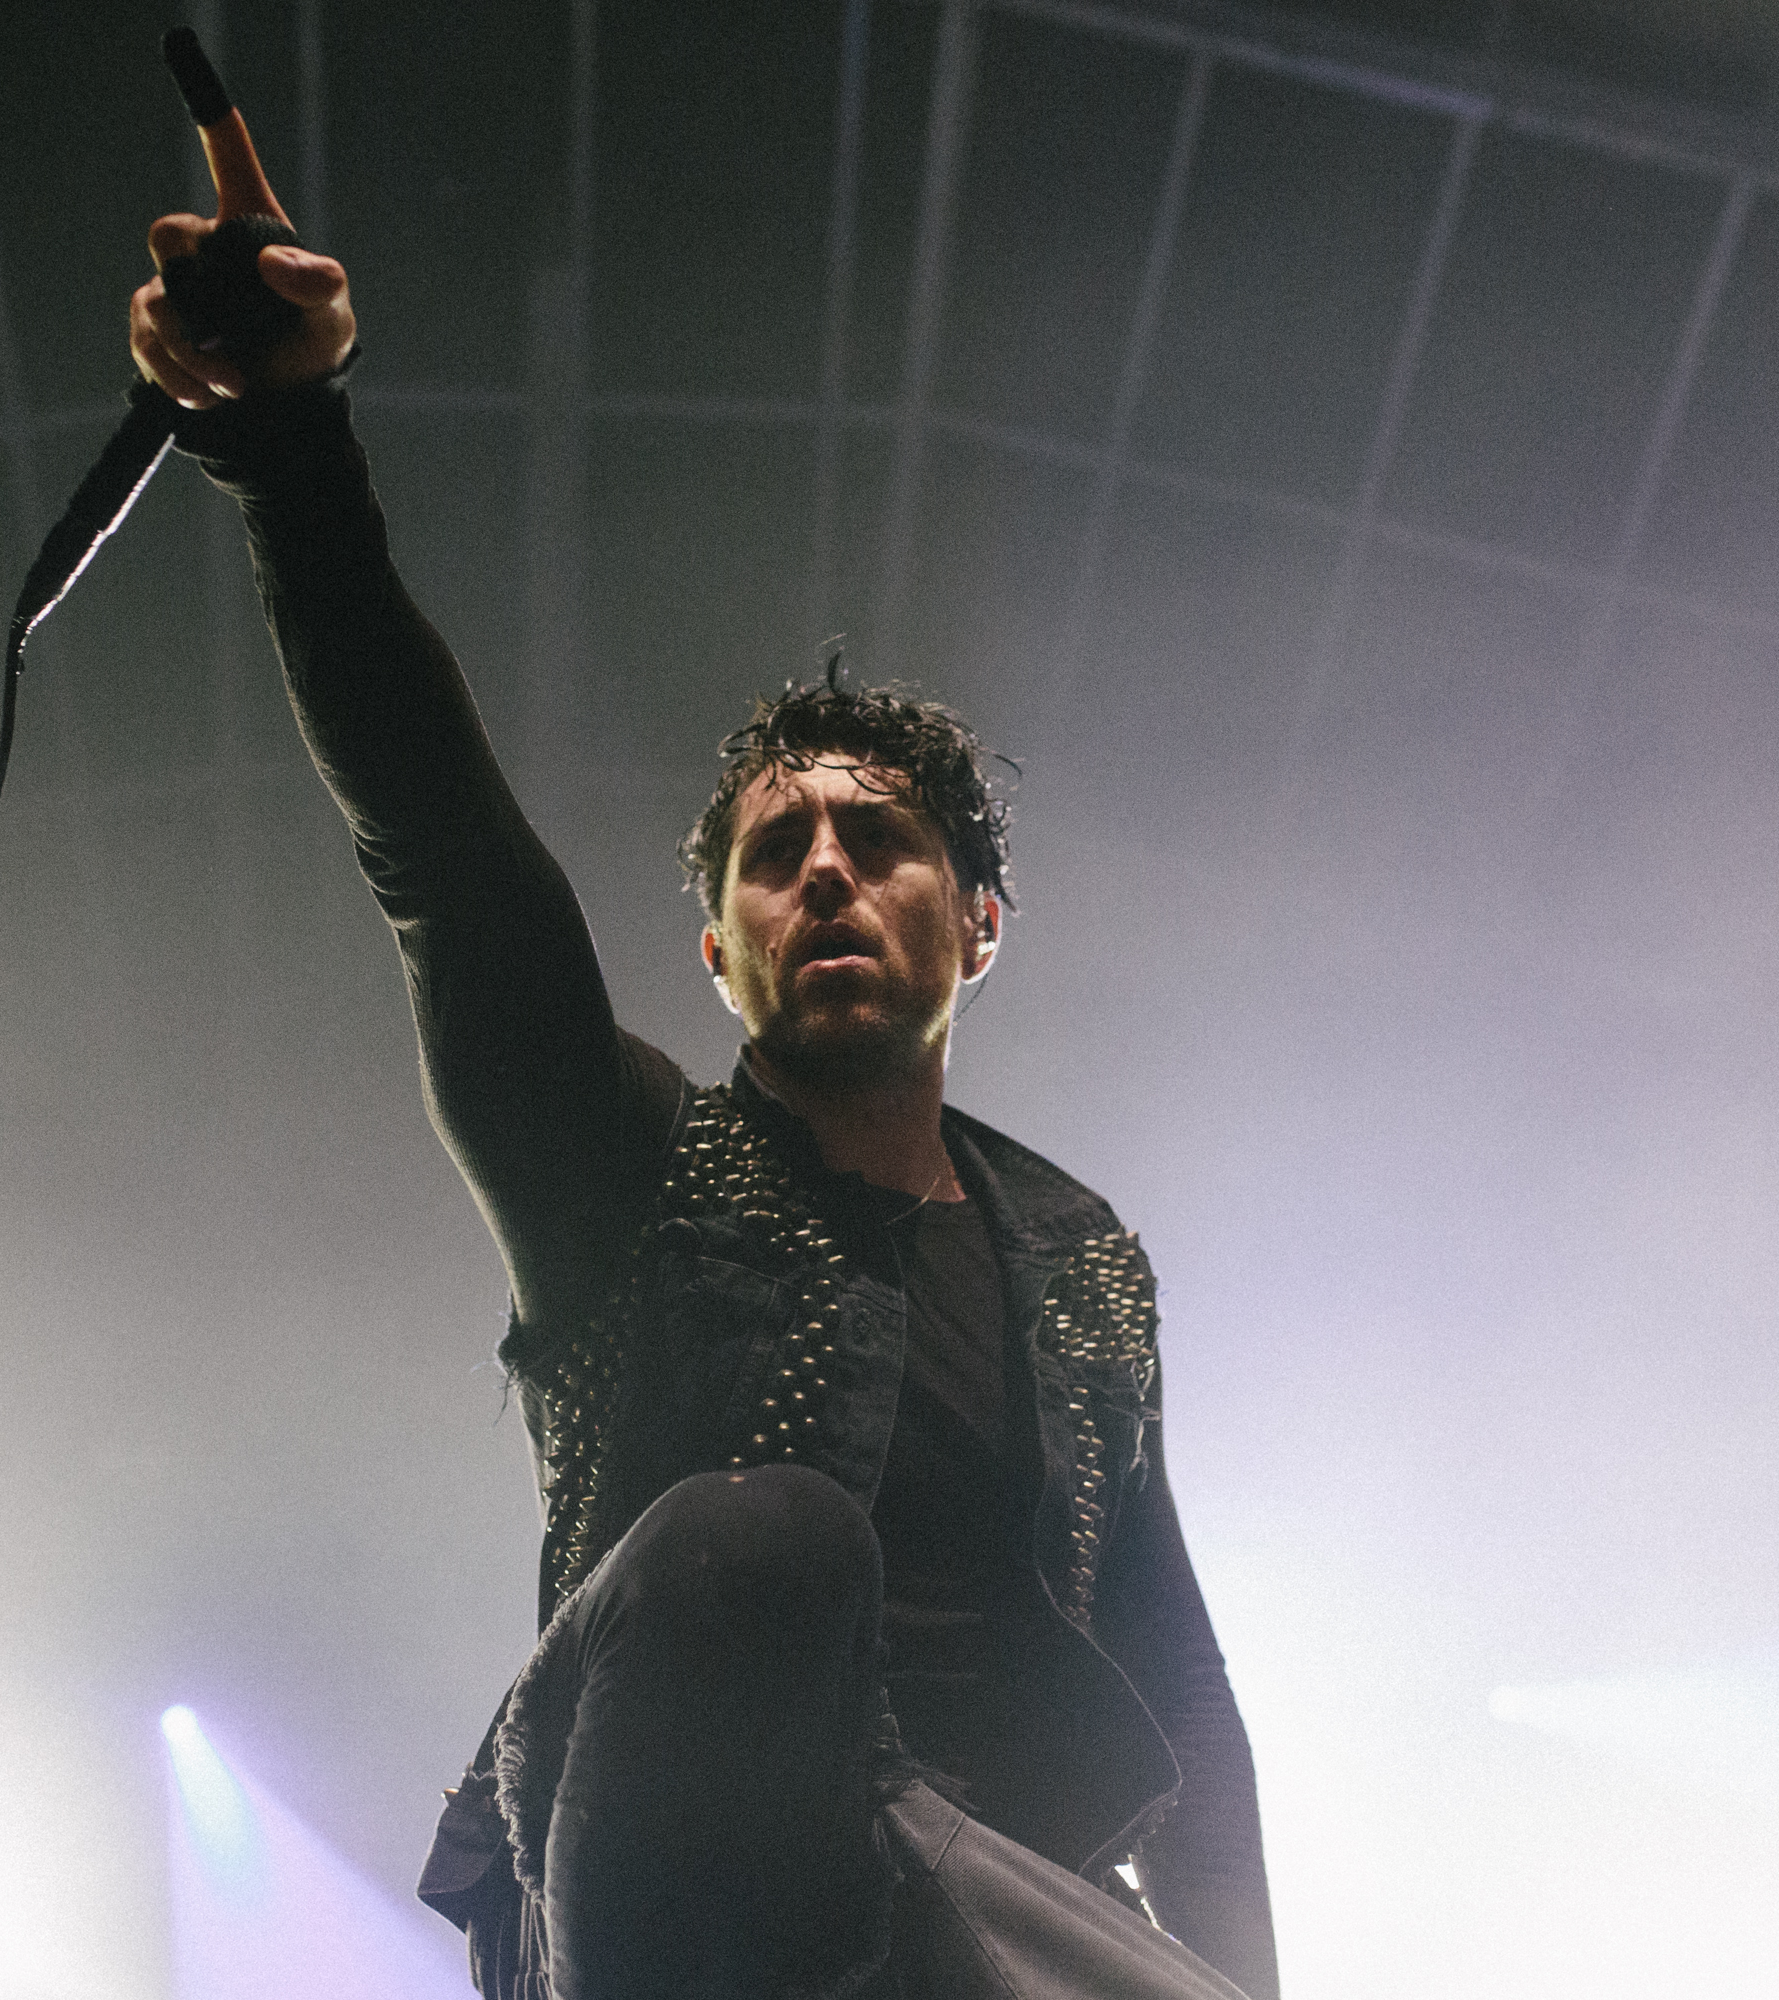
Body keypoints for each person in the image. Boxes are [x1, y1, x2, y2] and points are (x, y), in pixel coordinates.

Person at [126, 135, 1280, 2000]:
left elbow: (1178, 1681)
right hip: (695, 1904)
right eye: (773, 852)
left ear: (980, 924)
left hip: (988, 1918)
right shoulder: (632, 1166)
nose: (823, 870)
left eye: (878, 840)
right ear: (716, 949)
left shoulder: (1083, 1261)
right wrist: (286, 445)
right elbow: (444, 858)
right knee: (767, 1541)